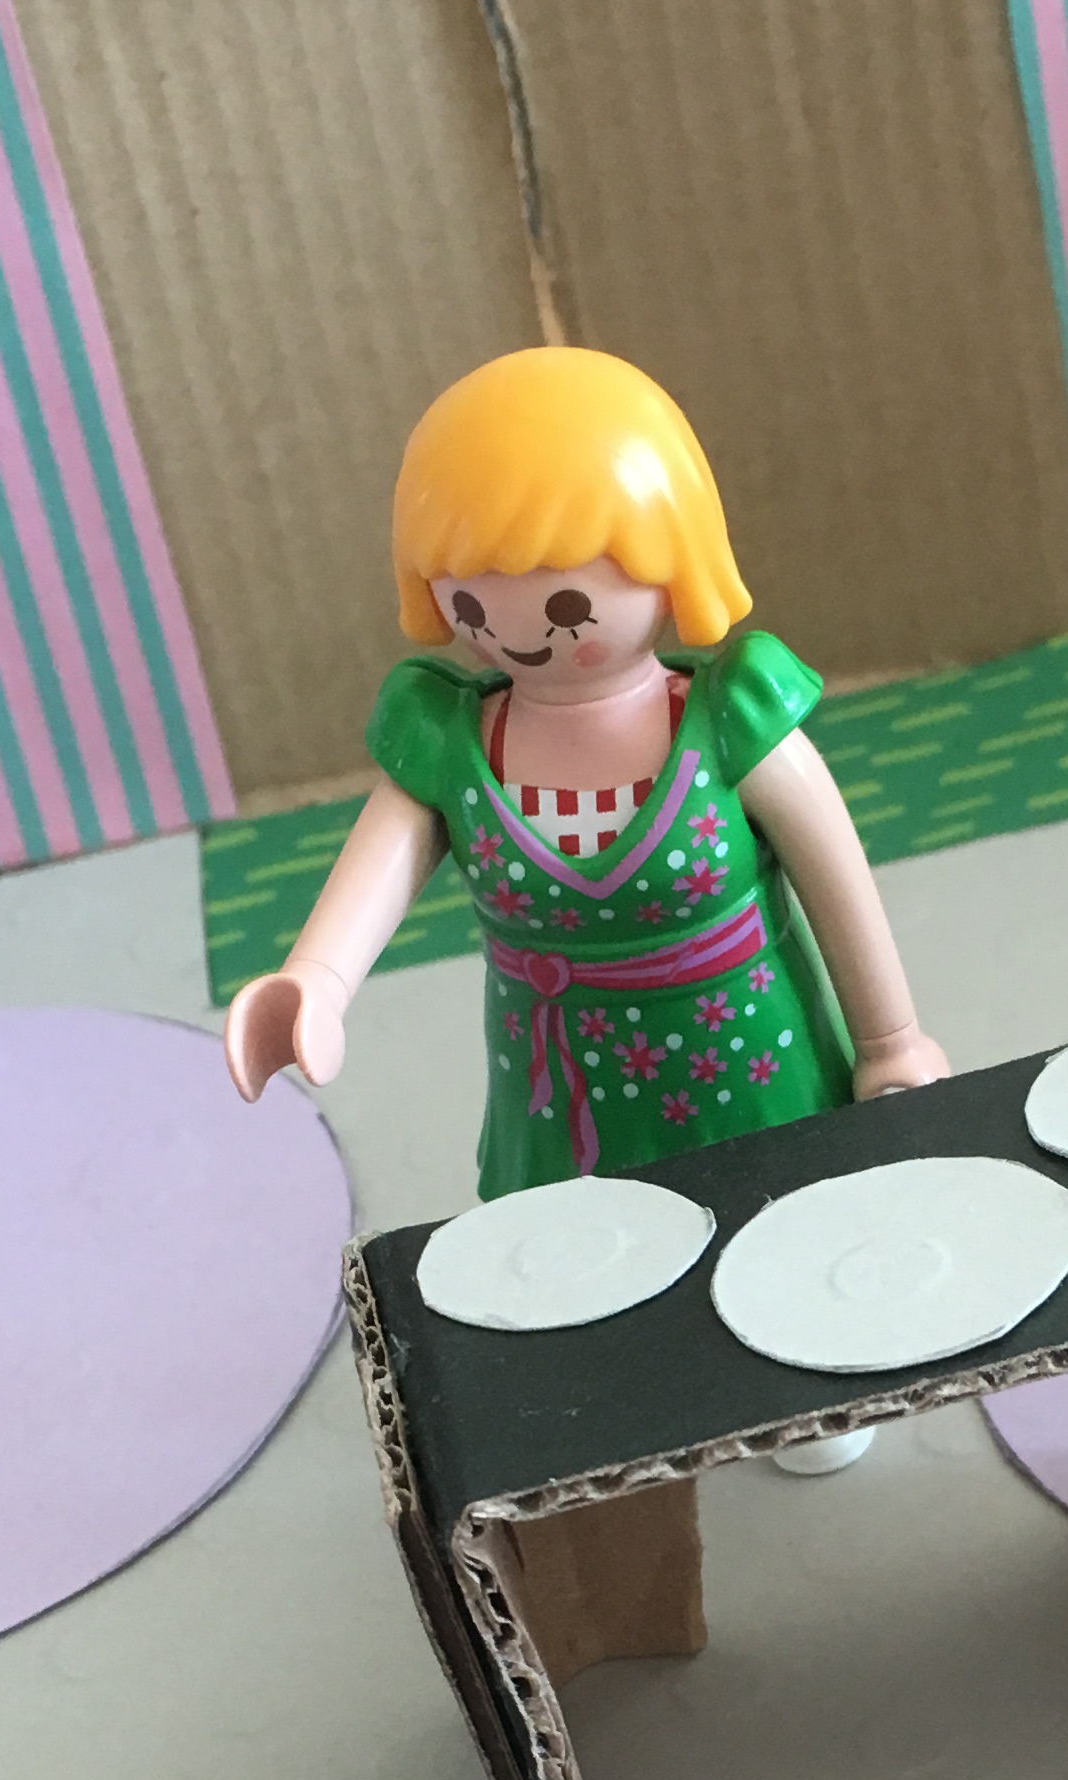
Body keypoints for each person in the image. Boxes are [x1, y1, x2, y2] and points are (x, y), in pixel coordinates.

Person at [223, 347, 950, 1214]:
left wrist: (890, 1043)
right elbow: (376, 873)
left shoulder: (730, 724)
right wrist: (315, 982)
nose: (518, 631)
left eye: (567, 606)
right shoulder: (454, 746)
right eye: (473, 605)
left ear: (674, 555)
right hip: (559, 1097)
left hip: (745, 1067)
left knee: (785, 1228)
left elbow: (839, 884)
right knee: (581, 1259)